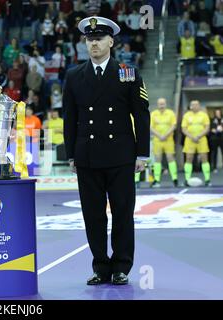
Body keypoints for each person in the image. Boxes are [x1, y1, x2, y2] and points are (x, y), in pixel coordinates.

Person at [62, 16, 150, 285]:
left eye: (99, 39)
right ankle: (101, 266)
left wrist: (142, 154)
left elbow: (141, 115)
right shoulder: (74, 75)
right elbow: (69, 117)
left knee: (123, 213)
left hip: (121, 155)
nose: (94, 44)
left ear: (111, 41)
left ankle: (122, 266)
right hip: (87, 155)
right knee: (93, 214)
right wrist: (71, 154)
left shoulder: (128, 72)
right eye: (89, 39)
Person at [181, 100, 211, 186]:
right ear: (190, 106)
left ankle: (207, 179)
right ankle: (187, 180)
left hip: (201, 139)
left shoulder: (204, 115)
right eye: (193, 105)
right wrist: (192, 137)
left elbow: (207, 128)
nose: (195, 106)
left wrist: (198, 136)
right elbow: (183, 129)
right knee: (189, 158)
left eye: (197, 105)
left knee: (204, 158)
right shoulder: (186, 115)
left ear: (199, 106)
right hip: (190, 140)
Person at [150, 98, 178, 187]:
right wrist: (159, 135)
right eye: (160, 104)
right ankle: (157, 180)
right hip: (157, 140)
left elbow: (173, 125)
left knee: (170, 158)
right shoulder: (153, 114)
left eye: (163, 104)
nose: (161, 105)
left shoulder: (171, 113)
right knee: (157, 159)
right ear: (157, 105)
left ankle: (175, 179)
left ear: (166, 104)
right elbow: (150, 127)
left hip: (168, 139)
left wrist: (165, 135)